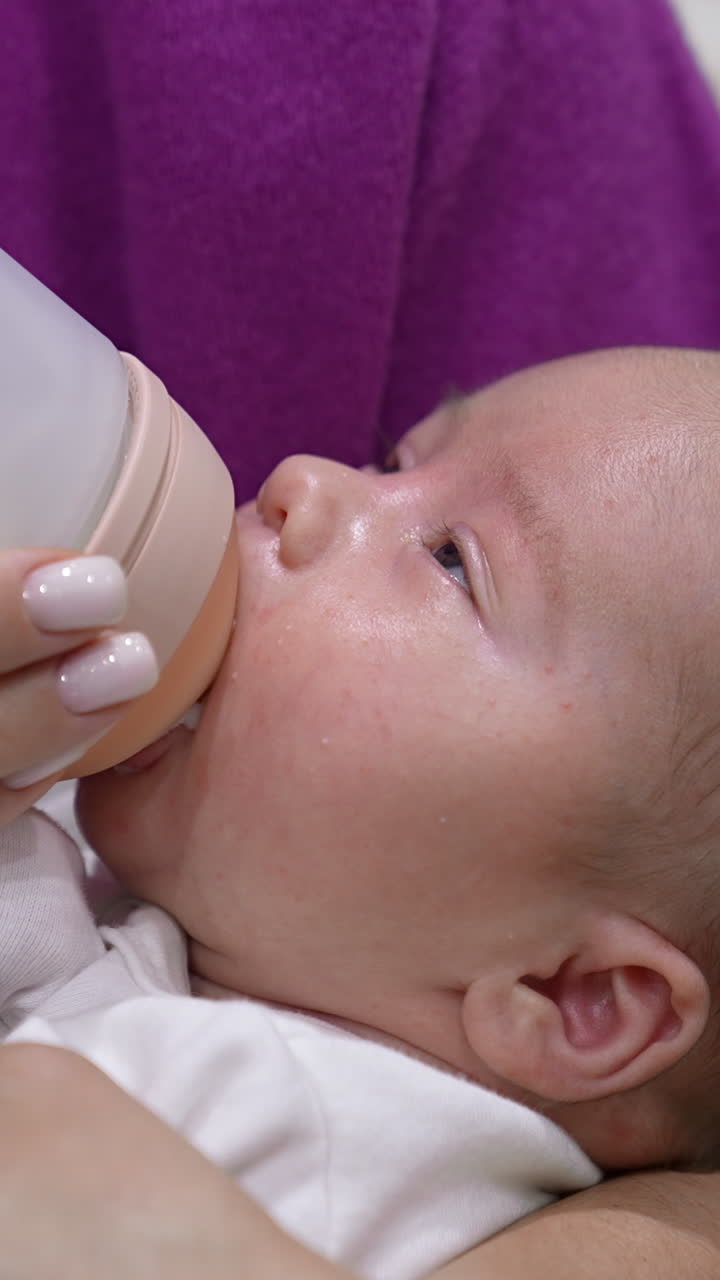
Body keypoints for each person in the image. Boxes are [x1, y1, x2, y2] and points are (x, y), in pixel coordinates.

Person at [3, 0, 720, 1274]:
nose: (302, 482)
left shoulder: (279, 1135)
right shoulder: (217, 980)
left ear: (574, 998)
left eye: (450, 560)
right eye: (396, 460)